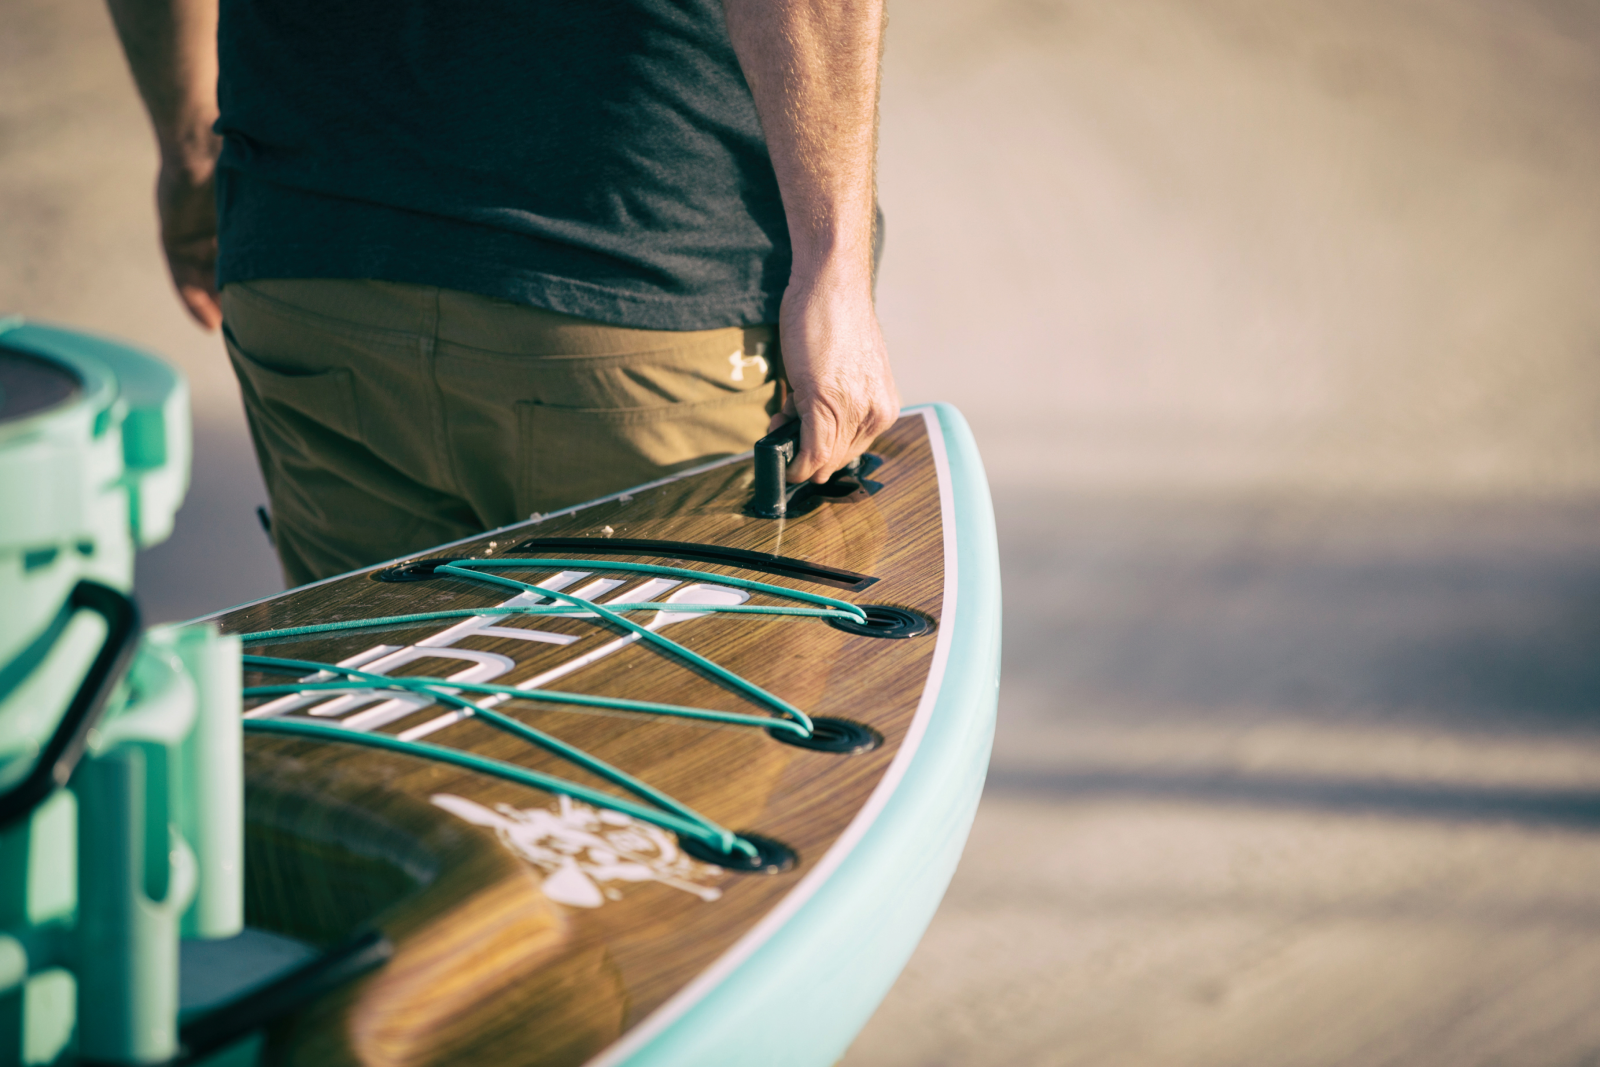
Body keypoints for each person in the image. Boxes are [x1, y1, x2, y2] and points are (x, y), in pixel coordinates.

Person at [106, 0, 900, 586]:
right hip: (629, 282)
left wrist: (189, 148)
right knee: (683, 743)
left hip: (309, 265)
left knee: (383, 731)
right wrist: (833, 266)